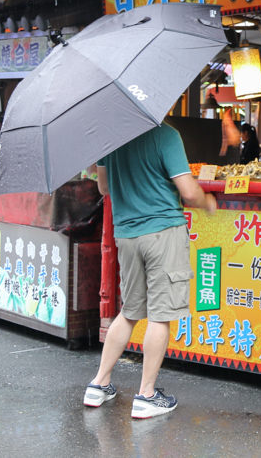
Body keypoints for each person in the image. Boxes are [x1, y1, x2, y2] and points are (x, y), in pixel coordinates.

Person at [86, 123, 216, 418]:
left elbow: (104, 187)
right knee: (160, 315)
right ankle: (146, 394)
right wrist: (206, 201)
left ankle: (98, 384)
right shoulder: (166, 135)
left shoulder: (111, 135)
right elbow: (188, 191)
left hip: (127, 235)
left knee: (129, 311)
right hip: (163, 232)